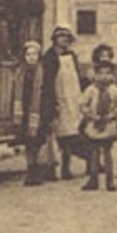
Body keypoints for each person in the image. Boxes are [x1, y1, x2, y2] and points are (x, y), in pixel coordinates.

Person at [41, 24, 86, 180]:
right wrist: (51, 104)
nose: (64, 41)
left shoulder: (72, 56)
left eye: (67, 38)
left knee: (71, 135)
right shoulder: (49, 58)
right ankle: (51, 169)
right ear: (55, 40)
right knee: (54, 137)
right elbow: (46, 83)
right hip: (56, 100)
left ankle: (66, 168)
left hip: (72, 100)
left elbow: (76, 78)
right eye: (61, 37)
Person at [78, 45, 117, 192]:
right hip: (94, 124)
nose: (104, 77)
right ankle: (93, 179)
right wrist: (90, 115)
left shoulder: (114, 90)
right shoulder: (91, 90)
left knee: (107, 153)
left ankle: (110, 180)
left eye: (108, 73)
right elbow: (82, 104)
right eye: (101, 73)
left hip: (108, 125)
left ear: (112, 75)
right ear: (95, 75)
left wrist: (113, 115)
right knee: (93, 153)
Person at [16, 39, 53, 186]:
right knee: (28, 142)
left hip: (39, 111)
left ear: (39, 56)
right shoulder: (20, 73)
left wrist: (47, 111)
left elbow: (48, 93)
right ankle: (30, 170)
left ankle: (38, 171)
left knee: (38, 141)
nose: (31, 57)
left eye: (34, 54)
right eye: (28, 54)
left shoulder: (43, 73)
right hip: (25, 111)